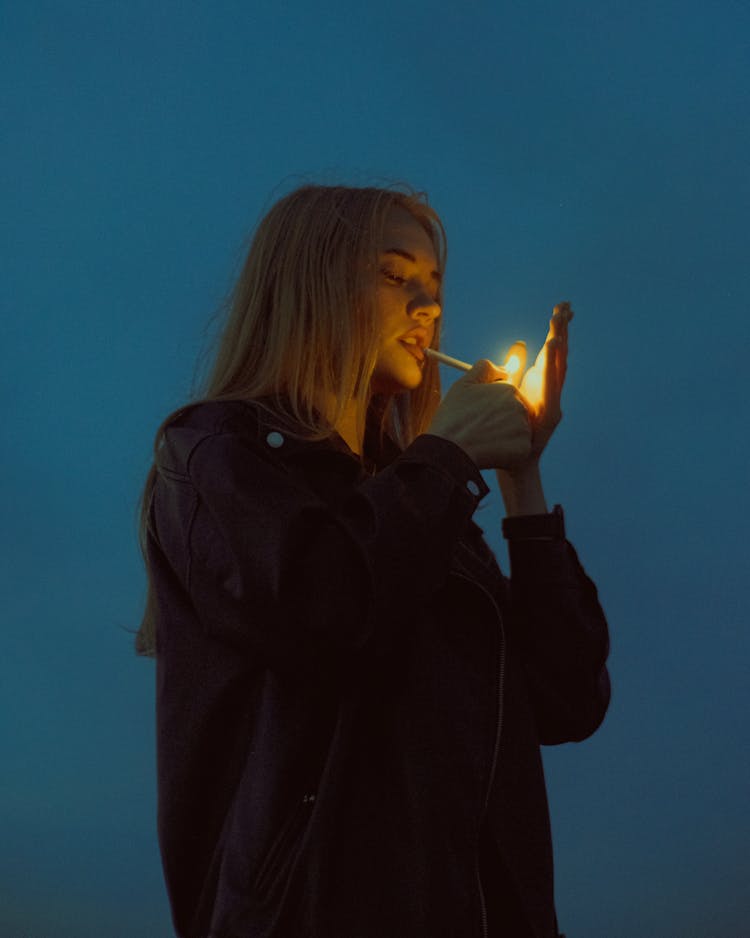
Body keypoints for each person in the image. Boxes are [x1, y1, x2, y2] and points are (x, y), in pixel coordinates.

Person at [135, 183, 610, 938]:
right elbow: (326, 610)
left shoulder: (419, 503)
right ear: (308, 283)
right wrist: (446, 458)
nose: (428, 305)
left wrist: (522, 476)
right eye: (395, 276)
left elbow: (566, 700)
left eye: (435, 286)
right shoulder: (216, 456)